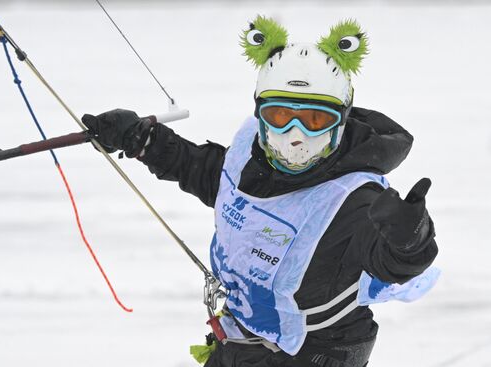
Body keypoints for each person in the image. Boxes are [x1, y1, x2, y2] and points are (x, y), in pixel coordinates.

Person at [82, 17, 439, 367]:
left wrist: (411, 240)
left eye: (315, 120)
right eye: (281, 115)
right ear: (260, 115)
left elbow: (392, 262)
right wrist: (143, 140)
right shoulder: (249, 163)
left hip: (316, 353)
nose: (296, 135)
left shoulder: (355, 201)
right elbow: (208, 174)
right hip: (242, 343)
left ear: (341, 122)